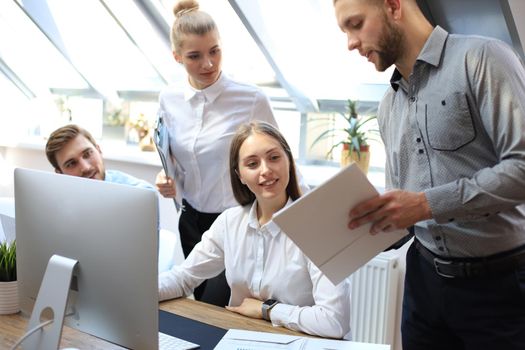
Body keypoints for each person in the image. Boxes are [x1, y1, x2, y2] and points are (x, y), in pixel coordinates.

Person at [333, 0, 525, 349]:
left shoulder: (483, 59)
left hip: (500, 288)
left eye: (356, 24)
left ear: (393, 6)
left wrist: (425, 205)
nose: (350, 42)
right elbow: (408, 204)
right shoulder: (387, 108)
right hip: (423, 287)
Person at [159, 121, 350, 338]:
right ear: (239, 175)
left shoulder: (317, 227)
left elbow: (335, 321)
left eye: (274, 158)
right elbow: (183, 278)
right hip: (241, 337)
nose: (266, 170)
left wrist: (267, 309)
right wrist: (137, 292)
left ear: (289, 161)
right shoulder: (229, 222)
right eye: (252, 164)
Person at [155, 0, 279, 306]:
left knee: (219, 306)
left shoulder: (250, 98)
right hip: (190, 220)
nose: (208, 64)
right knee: (198, 303)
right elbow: (170, 157)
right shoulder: (168, 99)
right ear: (177, 57)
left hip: (235, 222)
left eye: (215, 51)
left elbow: (280, 157)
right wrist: (164, 177)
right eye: (195, 56)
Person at [45, 124, 155, 191]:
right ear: (60, 173)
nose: (85, 167)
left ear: (99, 150)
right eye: (71, 164)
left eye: (87, 154)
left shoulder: (140, 193)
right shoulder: (56, 204)